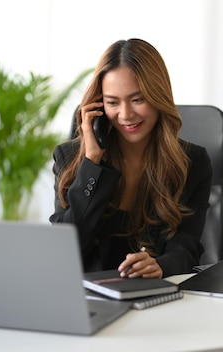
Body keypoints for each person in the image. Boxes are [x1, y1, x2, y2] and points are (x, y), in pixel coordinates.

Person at [49, 38, 212, 278]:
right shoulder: (70, 158)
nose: (125, 115)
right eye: (112, 102)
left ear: (158, 97)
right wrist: (92, 163)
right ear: (98, 105)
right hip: (89, 298)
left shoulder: (192, 162)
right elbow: (65, 249)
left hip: (156, 295)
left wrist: (162, 266)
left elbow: (186, 245)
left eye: (138, 100)